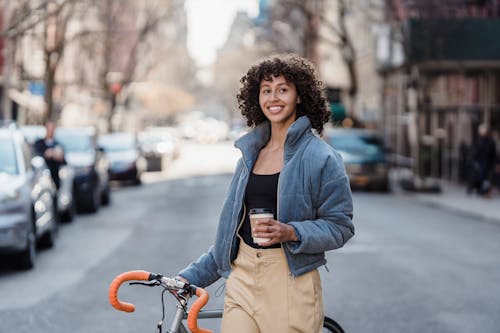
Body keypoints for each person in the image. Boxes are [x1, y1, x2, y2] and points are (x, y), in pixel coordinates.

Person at [177, 54, 355, 332]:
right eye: (266, 90)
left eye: (283, 89)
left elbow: (340, 227)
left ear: (299, 96)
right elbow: (228, 237)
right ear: (256, 98)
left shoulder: (321, 156)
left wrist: (291, 232)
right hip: (242, 278)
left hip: (290, 283)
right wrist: (188, 278)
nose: (274, 97)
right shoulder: (249, 155)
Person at [467, 124, 497, 196]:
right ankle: (478, 189)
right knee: (479, 176)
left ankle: (483, 190)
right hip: (479, 162)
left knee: (484, 177)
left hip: (486, 162)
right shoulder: (478, 140)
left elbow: (493, 153)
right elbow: (474, 152)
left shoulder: (490, 141)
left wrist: (495, 163)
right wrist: (473, 160)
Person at [34, 120, 66, 189]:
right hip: (41, 178)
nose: (51, 131)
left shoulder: (58, 144)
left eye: (52, 128)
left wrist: (58, 156)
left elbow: (64, 162)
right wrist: (47, 154)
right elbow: (36, 156)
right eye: (49, 128)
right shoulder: (39, 143)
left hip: (55, 176)